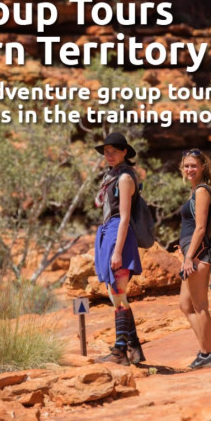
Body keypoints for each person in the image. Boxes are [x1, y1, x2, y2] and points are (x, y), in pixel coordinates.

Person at [93, 132, 145, 366]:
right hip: (108, 232)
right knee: (117, 294)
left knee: (118, 295)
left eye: (114, 151)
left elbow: (124, 218)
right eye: (106, 151)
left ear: (125, 152)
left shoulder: (124, 178)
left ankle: (120, 351)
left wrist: (117, 251)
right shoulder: (111, 176)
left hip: (117, 234)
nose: (109, 155)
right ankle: (134, 348)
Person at [178, 149, 211, 369]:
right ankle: (205, 351)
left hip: (198, 255)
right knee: (186, 305)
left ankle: (206, 353)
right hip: (191, 254)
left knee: (200, 304)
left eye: (194, 165)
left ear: (203, 166)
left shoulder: (202, 191)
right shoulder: (195, 191)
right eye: (186, 166)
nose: (190, 169)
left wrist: (189, 258)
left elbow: (201, 228)